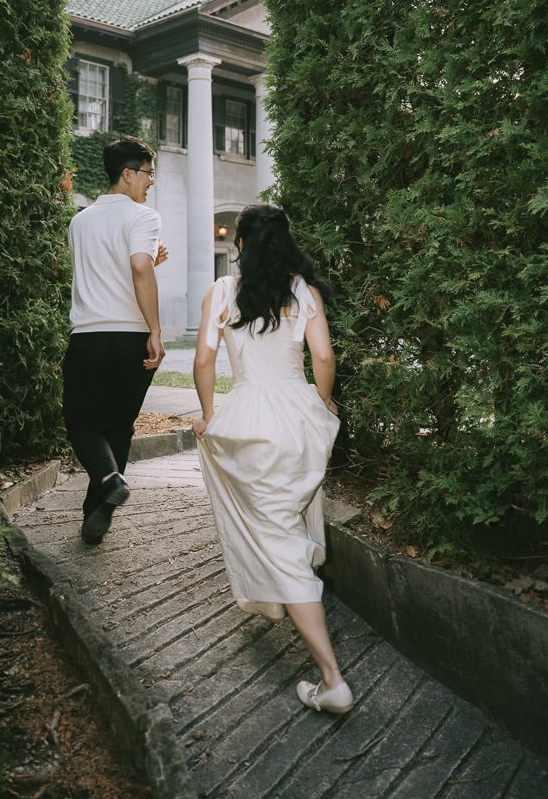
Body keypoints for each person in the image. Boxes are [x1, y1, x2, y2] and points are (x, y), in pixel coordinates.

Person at [192, 204, 353, 714]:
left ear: (240, 246)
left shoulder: (221, 292)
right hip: (296, 415)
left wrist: (208, 413)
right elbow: (323, 358)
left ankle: (332, 679)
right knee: (285, 517)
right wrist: (323, 404)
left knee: (276, 534)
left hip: (248, 419)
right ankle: (292, 573)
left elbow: (203, 360)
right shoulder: (303, 292)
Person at [62, 135, 167, 546]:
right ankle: (98, 508)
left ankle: (107, 481)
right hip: (132, 340)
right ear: (127, 174)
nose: (151, 183)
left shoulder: (78, 221)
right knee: (118, 425)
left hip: (89, 337)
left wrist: (145, 262)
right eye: (148, 174)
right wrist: (156, 331)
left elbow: (99, 271)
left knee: (82, 423)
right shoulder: (142, 217)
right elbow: (138, 268)